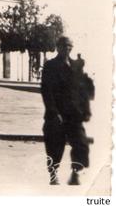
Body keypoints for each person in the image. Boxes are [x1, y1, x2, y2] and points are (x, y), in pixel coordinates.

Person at [40, 36, 94, 186]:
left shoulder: (76, 66)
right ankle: (53, 175)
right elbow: (46, 91)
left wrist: (86, 109)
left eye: (69, 46)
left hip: (74, 114)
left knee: (81, 144)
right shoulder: (50, 66)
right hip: (56, 114)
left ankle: (76, 173)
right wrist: (52, 112)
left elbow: (82, 90)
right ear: (57, 47)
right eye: (64, 46)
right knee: (54, 147)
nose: (67, 48)